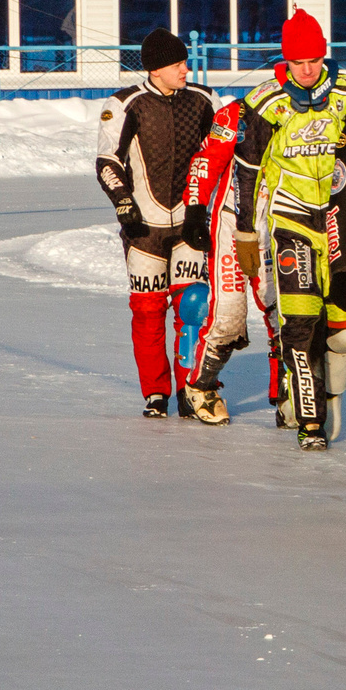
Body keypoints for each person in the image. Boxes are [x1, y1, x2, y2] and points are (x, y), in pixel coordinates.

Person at [235, 10, 346, 450]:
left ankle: (329, 392)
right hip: (290, 219)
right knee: (299, 320)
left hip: (342, 222)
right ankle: (309, 419)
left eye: (315, 59)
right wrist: (245, 231)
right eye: (298, 62)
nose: (308, 69)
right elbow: (247, 169)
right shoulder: (264, 101)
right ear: (285, 60)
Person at [95, 27, 218, 416]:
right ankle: (155, 392)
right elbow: (107, 162)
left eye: (185, 62)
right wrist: (124, 204)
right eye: (178, 64)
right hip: (143, 227)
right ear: (157, 68)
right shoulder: (123, 104)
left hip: (189, 223)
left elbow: (222, 153)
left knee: (192, 308)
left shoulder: (203, 99)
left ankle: (189, 387)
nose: (186, 69)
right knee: (148, 311)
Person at [175, 94, 279, 425]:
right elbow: (207, 161)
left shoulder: (314, 109)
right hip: (232, 225)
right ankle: (200, 387)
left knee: (286, 312)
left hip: (283, 224)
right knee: (229, 314)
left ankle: (286, 390)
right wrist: (194, 211)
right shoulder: (238, 112)